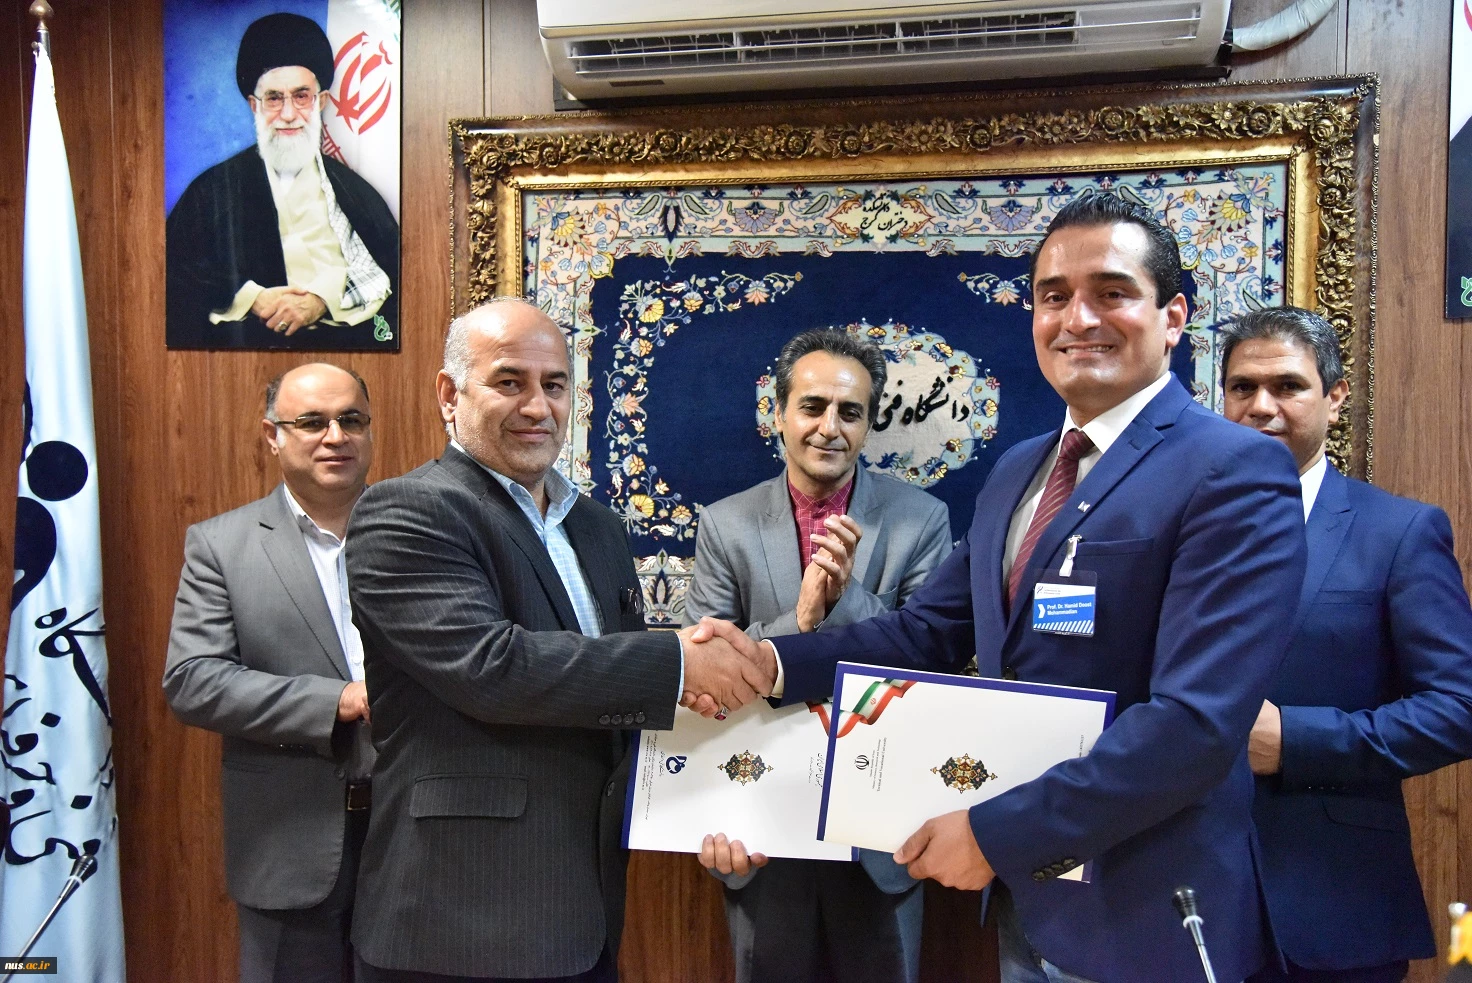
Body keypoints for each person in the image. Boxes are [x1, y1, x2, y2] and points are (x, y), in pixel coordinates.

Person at [693, 190, 1309, 982]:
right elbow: (925, 633)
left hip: (1145, 912)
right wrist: (769, 662)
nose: (1078, 318)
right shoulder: (1022, 468)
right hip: (1031, 909)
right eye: (1054, 296)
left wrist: (994, 834)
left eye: (1112, 292)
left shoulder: (1235, 469)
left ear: (1173, 317)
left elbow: (1194, 726)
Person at [343, 297, 773, 983]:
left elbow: (621, 695)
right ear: (450, 394)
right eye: (509, 382)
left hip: (582, 909)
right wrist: (679, 661)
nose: (537, 407)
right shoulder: (409, 510)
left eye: (555, 384)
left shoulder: (596, 527)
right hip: (455, 922)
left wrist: (722, 803)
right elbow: (493, 668)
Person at [685, 329, 951, 983]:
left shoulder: (922, 520)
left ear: (869, 423)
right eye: (812, 407)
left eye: (850, 412)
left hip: (882, 834)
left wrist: (845, 601)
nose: (829, 427)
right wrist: (800, 623)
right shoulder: (726, 524)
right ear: (778, 414)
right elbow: (703, 677)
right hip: (761, 825)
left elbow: (932, 670)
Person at [1220, 306, 1472, 983]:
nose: (1261, 406)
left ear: (1334, 399)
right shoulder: (1176, 525)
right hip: (1175, 903)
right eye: (1242, 387)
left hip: (1329, 906)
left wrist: (1295, 741)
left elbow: (1460, 707)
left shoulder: (1398, 532)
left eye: (1287, 386)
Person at [162, 363, 378, 983]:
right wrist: (338, 700)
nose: (335, 436)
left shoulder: (424, 533)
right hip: (287, 841)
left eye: (352, 420)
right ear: (272, 436)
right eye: (311, 422)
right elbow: (194, 680)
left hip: (414, 837)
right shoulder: (220, 545)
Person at [166, 12, 399, 350]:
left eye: (301, 96)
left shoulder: (355, 193)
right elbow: (175, 275)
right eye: (274, 98)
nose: (288, 114)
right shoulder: (211, 192)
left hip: (344, 351)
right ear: (254, 106)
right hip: (239, 356)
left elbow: (390, 274)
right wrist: (252, 298)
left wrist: (322, 300)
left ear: (321, 102)